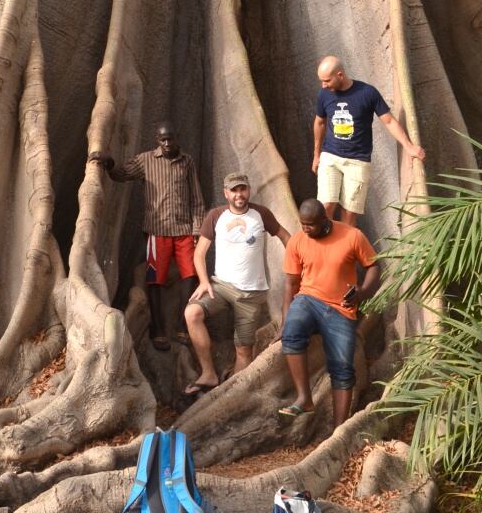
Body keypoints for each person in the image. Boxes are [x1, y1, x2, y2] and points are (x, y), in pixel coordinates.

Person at [89, 122, 205, 351]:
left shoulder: (187, 161)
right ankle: (158, 329)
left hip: (184, 231)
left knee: (191, 276)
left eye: (171, 139)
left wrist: (197, 229)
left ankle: (183, 326)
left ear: (177, 138)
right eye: (163, 140)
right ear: (157, 140)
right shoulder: (146, 160)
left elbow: (197, 197)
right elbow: (121, 174)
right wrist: (109, 162)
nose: (168, 143)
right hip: (157, 232)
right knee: (155, 280)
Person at [183, 171, 290, 397]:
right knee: (192, 313)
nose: (239, 194)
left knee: (243, 350)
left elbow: (285, 237)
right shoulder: (216, 215)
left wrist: (296, 266)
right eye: (234, 190)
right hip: (221, 287)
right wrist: (204, 281)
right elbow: (199, 253)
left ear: (248, 190)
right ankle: (209, 374)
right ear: (226, 193)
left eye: (242, 189)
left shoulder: (261, 214)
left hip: (251, 293)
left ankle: (231, 395)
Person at [279, 198, 381, 430]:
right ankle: (304, 399)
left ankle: (338, 430)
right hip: (308, 299)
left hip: (340, 309)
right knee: (292, 334)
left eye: (311, 225)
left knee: (342, 369)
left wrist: (362, 292)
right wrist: (285, 320)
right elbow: (290, 283)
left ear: (325, 220)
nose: (306, 229)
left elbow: (374, 266)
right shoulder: (297, 241)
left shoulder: (352, 236)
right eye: (303, 224)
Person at [313, 55, 425, 225]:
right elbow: (319, 122)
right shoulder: (324, 95)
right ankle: (325, 248)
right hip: (330, 156)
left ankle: (346, 250)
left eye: (327, 81)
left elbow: (389, 121)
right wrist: (316, 154)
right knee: (326, 206)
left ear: (340, 75)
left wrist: (408, 146)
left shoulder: (367, 93)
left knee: (349, 213)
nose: (323, 85)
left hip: (358, 160)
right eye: (321, 81)